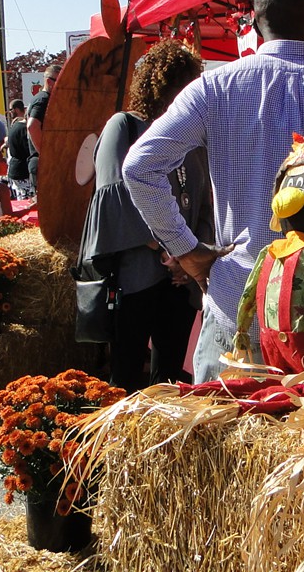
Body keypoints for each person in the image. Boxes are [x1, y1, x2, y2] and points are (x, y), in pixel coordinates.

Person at [124, 0, 304, 383]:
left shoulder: (212, 89)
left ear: (255, 24)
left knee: (225, 443)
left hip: (236, 306)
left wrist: (187, 249)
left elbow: (140, 166)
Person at [81, 41, 212, 391]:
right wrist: (171, 248)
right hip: (135, 277)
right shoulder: (123, 127)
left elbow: (203, 204)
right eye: (180, 85)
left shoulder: (193, 137)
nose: (187, 95)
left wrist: (191, 254)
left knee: (168, 383)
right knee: (124, 377)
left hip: (180, 281)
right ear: (158, 85)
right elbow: (115, 199)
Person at [25, 64, 59, 153]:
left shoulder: (41, 98)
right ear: (48, 81)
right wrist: (45, 155)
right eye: (59, 81)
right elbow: (32, 126)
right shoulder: (43, 100)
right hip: (40, 162)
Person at [5, 103, 34, 199]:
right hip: (22, 171)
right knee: (27, 202)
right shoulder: (24, 129)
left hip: (16, 169)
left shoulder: (15, 126)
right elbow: (28, 150)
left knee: (21, 200)